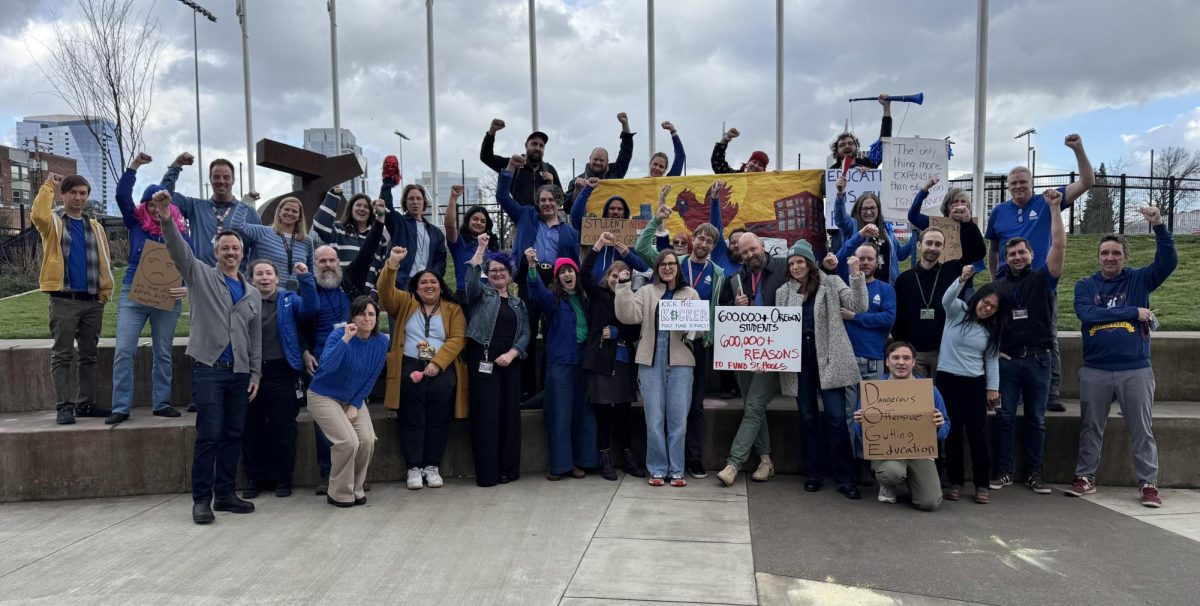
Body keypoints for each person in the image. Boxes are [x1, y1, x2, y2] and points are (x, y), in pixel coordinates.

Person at [149, 189, 261, 525]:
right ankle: (202, 499)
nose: (230, 252)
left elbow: (254, 338)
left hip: (240, 373)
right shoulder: (199, 275)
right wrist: (168, 219)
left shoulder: (252, 291)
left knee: (233, 435)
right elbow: (178, 250)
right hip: (209, 369)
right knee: (209, 434)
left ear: (243, 254)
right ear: (216, 253)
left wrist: (255, 374)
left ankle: (226, 494)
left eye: (235, 248)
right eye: (225, 248)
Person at [1067, 206, 1177, 508]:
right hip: (1096, 369)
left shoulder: (1139, 280)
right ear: (1098, 256)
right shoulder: (1086, 286)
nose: (1110, 258)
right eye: (1105, 253)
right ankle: (1085, 477)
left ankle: (1148, 483)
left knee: (1142, 428)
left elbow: (1168, 262)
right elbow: (1087, 314)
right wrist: (1133, 311)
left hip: (1135, 369)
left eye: (1116, 253)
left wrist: (1158, 226)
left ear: (1125, 256)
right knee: (1091, 426)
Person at [985, 134, 1095, 412]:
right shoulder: (998, 212)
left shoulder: (1048, 201)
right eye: (1014, 184)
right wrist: (994, 279)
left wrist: (1078, 149)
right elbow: (993, 249)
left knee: (1048, 335)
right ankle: (1013, 390)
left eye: (1023, 182)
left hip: (1041, 283)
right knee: (1006, 335)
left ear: (1032, 184)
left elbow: (1086, 182)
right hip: (1007, 285)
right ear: (1008, 187)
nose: (1018, 187)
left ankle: (1050, 392)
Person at [635, 203, 726, 479]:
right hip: (667, 341)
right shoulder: (674, 263)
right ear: (692, 238)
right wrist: (655, 221)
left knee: (692, 406)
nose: (704, 242)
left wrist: (705, 335)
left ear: (713, 246)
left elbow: (716, 309)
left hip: (698, 342)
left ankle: (692, 459)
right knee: (658, 409)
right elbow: (641, 248)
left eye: (710, 240)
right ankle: (662, 466)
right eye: (701, 237)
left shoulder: (718, 273)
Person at [989, 188, 1067, 495]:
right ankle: (1004, 470)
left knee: (1036, 418)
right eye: (1012, 254)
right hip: (1008, 360)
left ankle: (1035, 473)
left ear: (1031, 254)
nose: (1017, 257)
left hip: (1038, 359)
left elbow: (1059, 245)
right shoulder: (998, 284)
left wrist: (1056, 209)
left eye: (1022, 252)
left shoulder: (1044, 278)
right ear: (1005, 258)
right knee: (1004, 417)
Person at [776, 240, 868, 498]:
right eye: (791, 263)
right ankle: (812, 474)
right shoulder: (784, 291)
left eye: (800, 262)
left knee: (837, 419)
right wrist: (769, 357)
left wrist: (856, 274)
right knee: (807, 419)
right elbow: (777, 329)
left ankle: (845, 478)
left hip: (829, 359)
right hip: (800, 362)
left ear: (810, 263)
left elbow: (859, 305)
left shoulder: (831, 282)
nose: (795, 267)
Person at [107, 153, 188, 425]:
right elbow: (121, 194)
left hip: (167, 294)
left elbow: (188, 260)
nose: (155, 208)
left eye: (160, 203)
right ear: (144, 204)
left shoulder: (177, 229)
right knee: (124, 349)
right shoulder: (134, 222)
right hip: (135, 291)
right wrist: (135, 166)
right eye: (150, 204)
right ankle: (120, 406)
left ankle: (162, 402)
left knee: (163, 351)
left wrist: (186, 286)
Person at [378, 247, 468, 490]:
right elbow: (384, 292)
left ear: (440, 286)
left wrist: (437, 364)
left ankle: (432, 466)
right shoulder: (405, 303)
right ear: (416, 287)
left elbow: (458, 338)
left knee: (438, 421)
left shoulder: (452, 308)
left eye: (433, 282)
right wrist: (392, 264)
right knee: (411, 420)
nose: (429, 285)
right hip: (409, 367)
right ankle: (414, 468)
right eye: (423, 282)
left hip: (442, 369)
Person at [32, 172, 115, 425]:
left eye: (83, 193)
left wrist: (104, 292)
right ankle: (64, 406)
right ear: (64, 194)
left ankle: (85, 404)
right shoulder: (53, 222)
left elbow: (105, 262)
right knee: (63, 354)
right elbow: (37, 214)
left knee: (89, 355)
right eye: (73, 193)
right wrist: (48, 185)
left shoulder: (96, 227)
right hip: (64, 300)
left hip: (92, 301)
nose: (78, 198)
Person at [497, 153, 582, 398]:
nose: (546, 204)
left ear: (558, 202)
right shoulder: (525, 215)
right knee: (527, 331)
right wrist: (510, 168)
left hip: (554, 283)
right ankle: (526, 388)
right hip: (530, 278)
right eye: (542, 200)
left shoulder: (569, 232)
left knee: (553, 332)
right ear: (537, 202)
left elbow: (574, 262)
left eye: (551, 200)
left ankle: (547, 387)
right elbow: (502, 196)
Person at [304, 234, 383, 496]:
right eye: (322, 261)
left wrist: (380, 221)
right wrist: (305, 352)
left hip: (356, 352)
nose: (327, 264)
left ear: (339, 262)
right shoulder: (308, 289)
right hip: (323, 356)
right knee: (328, 428)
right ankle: (330, 477)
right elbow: (300, 322)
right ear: (315, 263)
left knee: (363, 436)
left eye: (331, 260)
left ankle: (352, 481)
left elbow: (368, 251)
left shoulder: (348, 285)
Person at [615, 249, 699, 486]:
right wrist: (623, 287)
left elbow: (701, 329)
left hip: (681, 360)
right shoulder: (646, 291)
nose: (667, 268)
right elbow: (627, 316)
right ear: (657, 268)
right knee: (653, 417)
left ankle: (677, 469)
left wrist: (689, 330)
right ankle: (658, 468)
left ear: (677, 267)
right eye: (663, 264)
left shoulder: (689, 293)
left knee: (678, 418)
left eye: (671, 264)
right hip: (650, 359)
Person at [716, 234, 793, 486]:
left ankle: (733, 463)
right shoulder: (736, 279)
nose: (750, 255)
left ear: (762, 246)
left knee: (753, 406)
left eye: (752, 249)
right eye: (744, 253)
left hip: (774, 352)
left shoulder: (784, 267)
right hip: (744, 352)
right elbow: (722, 312)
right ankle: (765, 460)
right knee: (753, 405)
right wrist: (734, 306)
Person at [241, 259, 317, 499]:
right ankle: (254, 478)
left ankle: (283, 477)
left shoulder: (288, 299)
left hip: (282, 371)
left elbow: (310, 308)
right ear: (252, 278)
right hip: (252, 372)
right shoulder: (244, 300)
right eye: (259, 274)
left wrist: (305, 279)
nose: (264, 278)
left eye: (269, 273)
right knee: (252, 427)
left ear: (277, 277)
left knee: (283, 427)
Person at [306, 296, 390, 507]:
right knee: (348, 442)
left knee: (367, 440)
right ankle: (338, 492)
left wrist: (355, 403)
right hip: (323, 395)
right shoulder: (338, 335)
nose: (367, 318)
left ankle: (356, 488)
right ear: (353, 316)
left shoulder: (381, 342)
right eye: (361, 313)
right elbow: (326, 366)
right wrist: (345, 339)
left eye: (371, 314)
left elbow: (372, 375)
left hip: (352, 397)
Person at [462, 238, 530, 487]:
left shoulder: (517, 303)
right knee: (486, 416)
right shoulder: (480, 295)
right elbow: (470, 281)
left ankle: (507, 470)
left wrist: (513, 353)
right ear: (487, 275)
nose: (498, 274)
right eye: (493, 271)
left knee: (509, 415)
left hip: (509, 361)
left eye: (502, 270)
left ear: (510, 275)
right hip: (484, 356)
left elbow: (525, 333)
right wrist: (480, 250)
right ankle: (488, 473)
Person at [525, 249, 597, 480]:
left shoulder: (586, 299)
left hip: (584, 361)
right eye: (562, 272)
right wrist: (532, 267)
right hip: (560, 364)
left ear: (577, 274)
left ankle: (582, 461)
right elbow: (535, 291)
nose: (567, 274)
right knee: (560, 414)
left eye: (571, 270)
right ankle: (560, 465)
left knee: (583, 413)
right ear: (558, 278)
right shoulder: (552, 299)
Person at [937, 266, 1007, 504]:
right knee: (953, 433)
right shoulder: (957, 312)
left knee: (977, 435)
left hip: (974, 383)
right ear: (978, 298)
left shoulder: (992, 329)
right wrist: (961, 278)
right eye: (985, 302)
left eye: (992, 307)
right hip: (947, 380)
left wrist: (992, 388)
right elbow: (946, 299)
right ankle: (955, 482)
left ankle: (981, 484)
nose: (986, 308)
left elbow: (992, 361)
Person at [853, 341, 950, 511]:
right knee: (892, 473)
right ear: (887, 362)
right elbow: (861, 432)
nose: (901, 362)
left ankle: (914, 481)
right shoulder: (874, 390)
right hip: (887, 451)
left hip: (919, 451)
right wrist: (861, 422)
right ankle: (888, 485)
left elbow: (945, 429)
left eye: (906, 358)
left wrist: (939, 425)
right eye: (895, 357)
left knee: (930, 503)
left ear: (913, 362)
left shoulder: (929, 390)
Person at [580, 240, 645, 480]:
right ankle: (605, 458)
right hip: (602, 362)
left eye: (621, 277)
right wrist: (596, 247)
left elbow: (635, 329)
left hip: (624, 362)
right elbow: (584, 274)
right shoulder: (599, 296)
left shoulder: (632, 299)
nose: (616, 280)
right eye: (613, 275)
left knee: (624, 413)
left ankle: (628, 458)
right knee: (604, 414)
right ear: (607, 276)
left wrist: (617, 332)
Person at [890, 217, 986, 379]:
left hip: (945, 352)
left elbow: (977, 253)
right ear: (919, 245)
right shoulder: (904, 279)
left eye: (938, 244)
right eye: (929, 243)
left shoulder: (953, 272)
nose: (932, 248)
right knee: (918, 400)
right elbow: (898, 317)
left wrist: (967, 222)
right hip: (915, 353)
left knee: (942, 400)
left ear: (943, 247)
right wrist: (903, 348)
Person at [838, 242, 897, 485]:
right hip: (848, 358)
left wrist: (856, 317)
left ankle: (873, 463)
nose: (864, 262)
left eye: (869, 258)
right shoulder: (845, 288)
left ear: (878, 262)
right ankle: (854, 463)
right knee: (851, 415)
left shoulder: (885, 289)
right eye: (860, 258)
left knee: (874, 414)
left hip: (874, 359)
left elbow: (888, 318)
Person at [160, 152, 261, 267]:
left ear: (233, 180)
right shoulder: (195, 206)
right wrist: (176, 165)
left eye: (226, 177)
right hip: (201, 277)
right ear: (210, 179)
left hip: (236, 279)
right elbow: (163, 195)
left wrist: (249, 275)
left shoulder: (249, 212)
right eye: (216, 177)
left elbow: (258, 248)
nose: (221, 181)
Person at [907, 176, 988, 297]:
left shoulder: (971, 226)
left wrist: (967, 222)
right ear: (947, 206)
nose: (960, 205)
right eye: (955, 202)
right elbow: (913, 216)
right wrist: (924, 190)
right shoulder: (935, 224)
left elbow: (980, 253)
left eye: (963, 202)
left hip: (964, 285)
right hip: (937, 283)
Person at [832, 175, 913, 283]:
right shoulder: (852, 225)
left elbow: (901, 255)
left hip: (886, 287)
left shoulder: (886, 230)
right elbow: (840, 218)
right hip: (858, 285)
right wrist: (840, 195)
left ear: (878, 210)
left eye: (872, 208)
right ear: (858, 210)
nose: (869, 212)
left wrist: (917, 235)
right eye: (865, 208)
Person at [311, 185, 390, 291]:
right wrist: (334, 195)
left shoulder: (380, 239)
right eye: (358, 205)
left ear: (371, 211)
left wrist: (374, 296)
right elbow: (320, 225)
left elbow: (381, 269)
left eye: (366, 207)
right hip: (340, 293)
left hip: (367, 297)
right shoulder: (338, 230)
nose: (362, 208)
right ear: (351, 209)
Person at [569, 176, 649, 280]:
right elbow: (575, 216)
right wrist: (587, 189)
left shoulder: (633, 235)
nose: (616, 211)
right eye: (612, 208)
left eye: (619, 209)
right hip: (595, 287)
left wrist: (628, 254)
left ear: (625, 213)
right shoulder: (594, 229)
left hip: (620, 289)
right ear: (606, 211)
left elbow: (643, 267)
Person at [229, 195, 314, 290]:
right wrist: (246, 201)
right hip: (262, 295)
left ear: (299, 217)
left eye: (294, 211)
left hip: (294, 298)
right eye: (286, 209)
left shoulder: (306, 241)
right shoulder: (262, 232)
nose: (290, 213)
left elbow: (311, 273)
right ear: (279, 212)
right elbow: (237, 225)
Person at [480, 118, 561, 206]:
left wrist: (551, 185)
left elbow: (561, 202)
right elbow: (486, 158)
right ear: (526, 145)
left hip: (543, 218)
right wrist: (491, 132)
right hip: (520, 217)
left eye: (541, 146)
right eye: (534, 144)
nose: (538, 148)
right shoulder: (513, 164)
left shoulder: (549, 169)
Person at [564, 112, 635, 211]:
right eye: (595, 159)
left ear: (607, 162)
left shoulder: (616, 172)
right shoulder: (577, 181)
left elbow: (626, 153)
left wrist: (625, 125)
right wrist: (578, 190)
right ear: (590, 159)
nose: (598, 163)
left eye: (601, 160)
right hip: (586, 226)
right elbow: (568, 209)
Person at [379, 183, 448, 285]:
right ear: (405, 202)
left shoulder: (436, 233)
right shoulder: (399, 223)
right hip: (400, 284)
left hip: (425, 285)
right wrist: (387, 182)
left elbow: (441, 260)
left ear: (424, 202)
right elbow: (387, 206)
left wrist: (433, 277)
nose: (415, 202)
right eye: (411, 199)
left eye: (419, 198)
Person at [444, 183, 499, 295]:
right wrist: (453, 198)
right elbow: (449, 225)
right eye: (475, 219)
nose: (479, 223)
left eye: (483, 221)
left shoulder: (492, 246)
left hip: (488, 297)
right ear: (468, 220)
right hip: (465, 296)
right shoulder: (458, 242)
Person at [829, 95, 892, 171]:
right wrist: (852, 169)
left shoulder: (868, 164)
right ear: (836, 152)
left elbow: (884, 142)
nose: (847, 146)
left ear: (856, 147)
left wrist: (886, 107)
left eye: (850, 143)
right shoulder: (831, 172)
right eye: (842, 145)